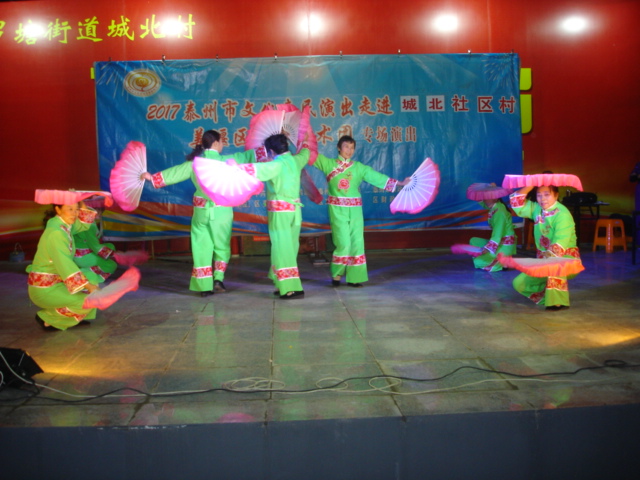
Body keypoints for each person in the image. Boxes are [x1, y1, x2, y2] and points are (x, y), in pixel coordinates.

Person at [141, 130, 257, 297]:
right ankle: (218, 279)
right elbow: (248, 156)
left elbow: (173, 174)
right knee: (222, 246)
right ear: (216, 143)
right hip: (221, 211)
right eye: (222, 141)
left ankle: (204, 286)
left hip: (200, 212)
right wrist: (267, 148)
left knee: (201, 246)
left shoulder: (195, 163)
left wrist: (152, 178)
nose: (223, 145)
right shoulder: (227, 161)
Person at [312, 135, 410, 287]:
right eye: (346, 147)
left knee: (357, 242)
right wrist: (302, 140)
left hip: (355, 210)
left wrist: (400, 183)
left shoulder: (359, 167)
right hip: (337, 210)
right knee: (343, 243)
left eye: (352, 148)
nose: (349, 150)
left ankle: (355, 277)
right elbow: (311, 155)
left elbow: (377, 177)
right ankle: (337, 274)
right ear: (339, 148)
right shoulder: (328, 164)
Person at [240, 133, 310, 299]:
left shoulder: (276, 165)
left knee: (281, 247)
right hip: (295, 212)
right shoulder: (295, 160)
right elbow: (305, 153)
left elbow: (255, 170)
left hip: (280, 213)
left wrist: (234, 167)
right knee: (290, 247)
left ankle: (289, 287)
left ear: (271, 151)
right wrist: (305, 141)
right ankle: (286, 283)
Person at [27, 201, 100, 331]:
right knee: (88, 300)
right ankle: (48, 319)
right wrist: (89, 287)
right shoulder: (56, 233)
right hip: (45, 290)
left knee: (92, 277)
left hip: (58, 281)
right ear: (58, 209)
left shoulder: (62, 224)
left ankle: (76, 315)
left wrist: (80, 200)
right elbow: (65, 264)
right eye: (70, 209)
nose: (75, 213)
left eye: (76, 209)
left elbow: (83, 224)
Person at [509, 184, 581, 311]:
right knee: (519, 284)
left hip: (566, 259)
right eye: (539, 195)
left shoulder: (562, 214)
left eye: (547, 195)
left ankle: (558, 302)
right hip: (545, 260)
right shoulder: (537, 209)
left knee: (554, 263)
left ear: (556, 195)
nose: (542, 199)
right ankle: (548, 298)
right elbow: (516, 202)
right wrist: (530, 185)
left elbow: (560, 243)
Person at [73, 201, 117, 284]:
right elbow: (95, 247)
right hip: (83, 257)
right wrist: (114, 255)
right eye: (99, 210)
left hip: (78, 252)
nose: (100, 213)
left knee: (110, 246)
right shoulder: (89, 225)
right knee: (111, 265)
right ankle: (82, 273)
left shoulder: (80, 220)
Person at [469, 198, 517, 272]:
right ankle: (494, 258)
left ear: (496, 198)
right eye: (484, 197)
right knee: (473, 241)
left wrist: (488, 249)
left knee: (478, 262)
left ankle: (503, 263)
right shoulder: (494, 206)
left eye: (487, 197)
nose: (485, 200)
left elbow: (497, 234)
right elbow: (484, 203)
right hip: (499, 242)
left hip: (504, 245)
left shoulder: (499, 211)